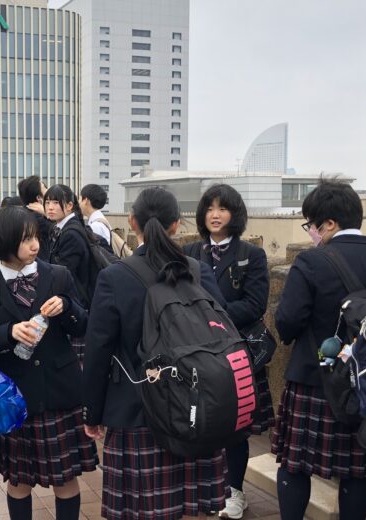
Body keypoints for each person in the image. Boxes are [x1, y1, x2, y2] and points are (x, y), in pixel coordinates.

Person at [83, 188, 229, 520]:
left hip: (136, 409)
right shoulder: (197, 269)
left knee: (144, 508)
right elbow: (221, 330)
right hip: (194, 406)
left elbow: (97, 352)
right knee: (190, 506)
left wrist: (92, 413)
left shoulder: (114, 277)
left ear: (132, 222)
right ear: (176, 225)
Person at [272, 178, 366, 520]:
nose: (311, 233)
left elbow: (286, 323)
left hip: (316, 379)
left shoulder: (311, 262)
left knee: (295, 465)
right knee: (357, 471)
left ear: (329, 223)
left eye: (312, 225)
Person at [0, 206, 98, 520]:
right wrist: (8, 334)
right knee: (19, 482)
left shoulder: (58, 275)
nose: (35, 245)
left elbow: (82, 325)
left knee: (66, 479)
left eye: (35, 237)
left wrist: (66, 306)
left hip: (60, 393)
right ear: (4, 242)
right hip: (16, 400)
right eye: (25, 240)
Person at [183, 184, 272, 519]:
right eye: (209, 208)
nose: (215, 215)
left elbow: (254, 304)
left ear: (235, 214)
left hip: (237, 352)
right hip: (198, 353)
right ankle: (205, 488)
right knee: (201, 422)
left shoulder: (252, 254)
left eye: (222, 208)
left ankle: (235, 491)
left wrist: (211, 317)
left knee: (237, 428)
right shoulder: (191, 250)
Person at [18, 175, 53, 260]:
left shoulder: (22, 213)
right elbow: (59, 232)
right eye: (45, 189)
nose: (49, 191)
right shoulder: (38, 218)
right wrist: (47, 215)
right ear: (39, 198)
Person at [79, 183, 112, 248]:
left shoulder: (96, 226)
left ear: (85, 200)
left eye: (80, 198)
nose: (79, 202)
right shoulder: (99, 221)